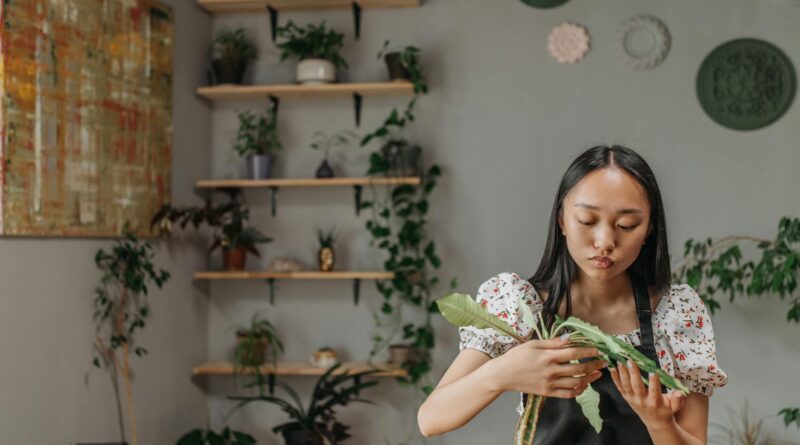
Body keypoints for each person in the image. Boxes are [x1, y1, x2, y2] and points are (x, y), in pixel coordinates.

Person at [418, 145, 728, 444]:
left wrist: (660, 423)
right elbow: (431, 419)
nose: (605, 241)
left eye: (626, 225)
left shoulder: (677, 314)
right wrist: (502, 373)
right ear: (562, 220)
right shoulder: (520, 303)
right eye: (588, 221)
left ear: (648, 229)